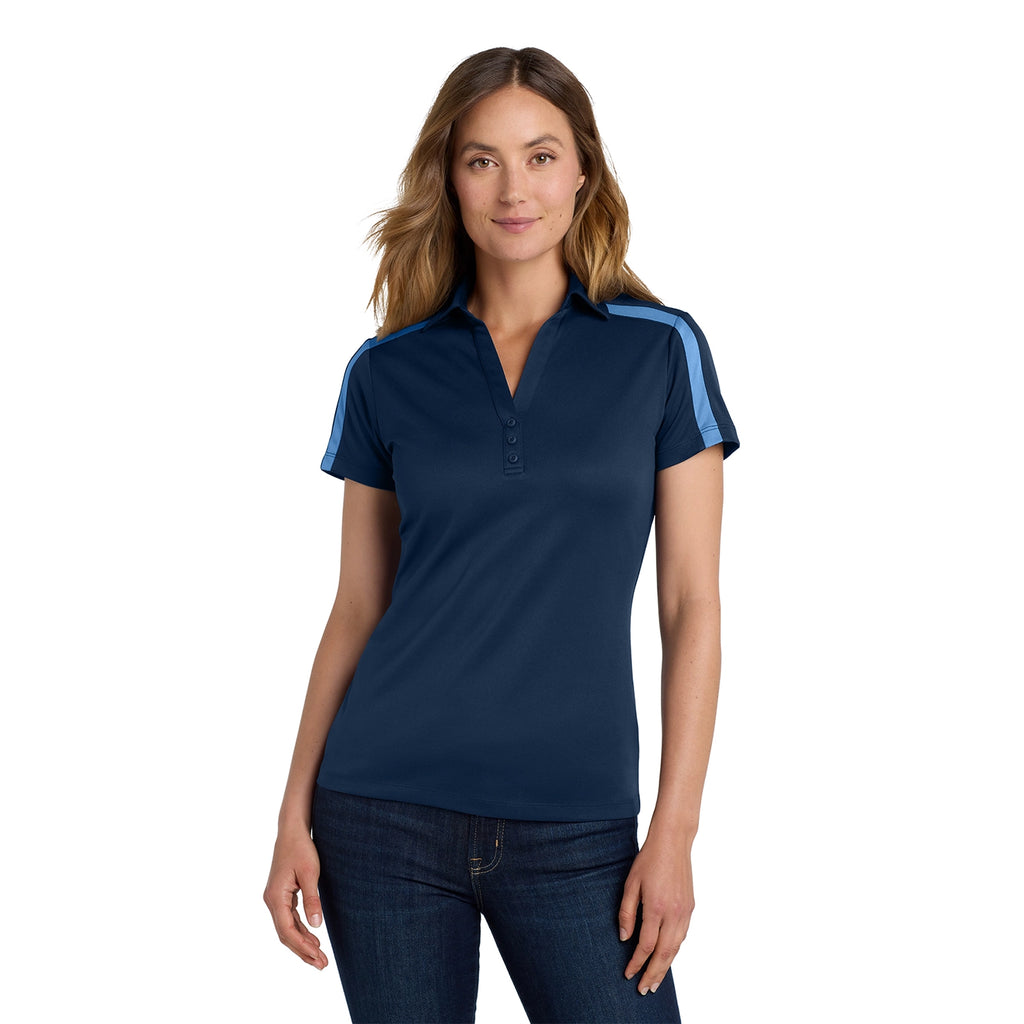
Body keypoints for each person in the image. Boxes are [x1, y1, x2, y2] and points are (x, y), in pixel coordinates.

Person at [264, 46, 740, 1024]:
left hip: (579, 827)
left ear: (583, 172)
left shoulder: (662, 349)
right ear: (449, 178)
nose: (513, 189)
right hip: (381, 814)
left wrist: (676, 830)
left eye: (539, 156)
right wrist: (291, 813)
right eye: (482, 160)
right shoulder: (386, 371)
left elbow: (691, 604)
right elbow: (358, 606)